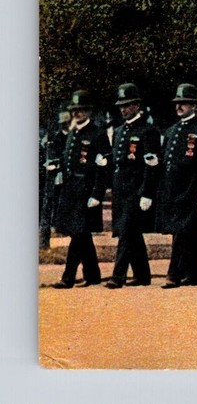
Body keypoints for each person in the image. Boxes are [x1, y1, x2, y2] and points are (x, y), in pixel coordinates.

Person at [157, 83, 197, 288]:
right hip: (173, 190)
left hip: (192, 189)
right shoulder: (171, 131)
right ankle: (196, 272)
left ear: (193, 105)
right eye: (177, 103)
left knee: (183, 232)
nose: (179, 107)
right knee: (187, 232)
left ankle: (173, 275)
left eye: (183, 103)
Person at [51, 90, 110, 288]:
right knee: (81, 234)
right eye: (75, 110)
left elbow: (103, 167)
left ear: (89, 111)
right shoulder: (73, 133)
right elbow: (67, 159)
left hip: (86, 190)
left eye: (82, 110)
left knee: (79, 234)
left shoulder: (97, 134)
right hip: (70, 191)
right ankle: (93, 275)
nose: (78, 113)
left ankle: (68, 277)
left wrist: (97, 193)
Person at [105, 84, 161, 288]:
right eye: (121, 106)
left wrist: (147, 192)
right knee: (132, 232)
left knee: (127, 232)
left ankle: (117, 276)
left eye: (128, 105)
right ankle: (142, 275)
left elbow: (151, 165)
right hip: (121, 189)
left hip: (136, 189)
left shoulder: (148, 130)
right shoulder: (119, 131)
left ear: (137, 105)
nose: (123, 109)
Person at [41, 102, 72, 250]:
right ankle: (51, 230)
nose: (64, 125)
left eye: (66, 123)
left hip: (69, 174)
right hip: (57, 174)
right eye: (63, 123)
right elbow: (53, 156)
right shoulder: (56, 137)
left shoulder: (73, 136)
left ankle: (62, 226)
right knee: (53, 201)